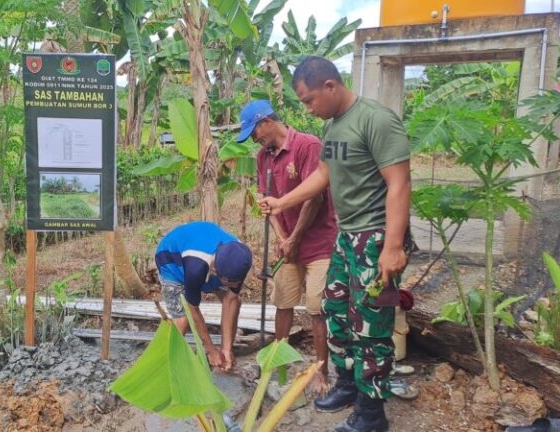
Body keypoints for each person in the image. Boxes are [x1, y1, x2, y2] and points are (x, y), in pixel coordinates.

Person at [259, 56, 412, 432]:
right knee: (336, 310)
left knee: (372, 323)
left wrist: (393, 246)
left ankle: (371, 413)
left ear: (330, 86)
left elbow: (399, 183)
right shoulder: (331, 127)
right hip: (347, 236)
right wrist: (282, 202)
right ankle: (348, 384)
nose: (308, 110)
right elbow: (323, 175)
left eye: (309, 100)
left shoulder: (376, 119)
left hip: (376, 236)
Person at [236, 99, 338, 395]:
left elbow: (315, 197)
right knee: (283, 304)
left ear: (267, 122)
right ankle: (277, 365)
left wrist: (294, 239)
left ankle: (321, 371)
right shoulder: (262, 157)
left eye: (254, 132)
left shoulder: (308, 145)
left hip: (319, 244)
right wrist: (283, 239)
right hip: (288, 247)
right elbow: (266, 204)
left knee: (317, 309)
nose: (254, 139)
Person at [155, 221, 253, 371]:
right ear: (215, 270)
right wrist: (210, 349)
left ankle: (226, 352)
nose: (233, 285)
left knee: (235, 301)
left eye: (235, 282)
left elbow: (231, 300)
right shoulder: (197, 267)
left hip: (203, 257)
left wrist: (226, 349)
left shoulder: (241, 257)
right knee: (182, 319)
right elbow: (192, 308)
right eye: (228, 282)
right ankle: (165, 363)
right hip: (171, 261)